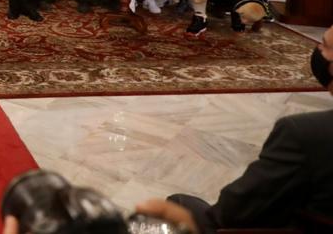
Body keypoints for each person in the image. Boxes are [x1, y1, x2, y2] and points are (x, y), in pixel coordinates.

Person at [137, 27, 333, 234]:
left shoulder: (305, 134)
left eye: (325, 46)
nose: (317, 49)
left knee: (177, 204)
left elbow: (232, 214)